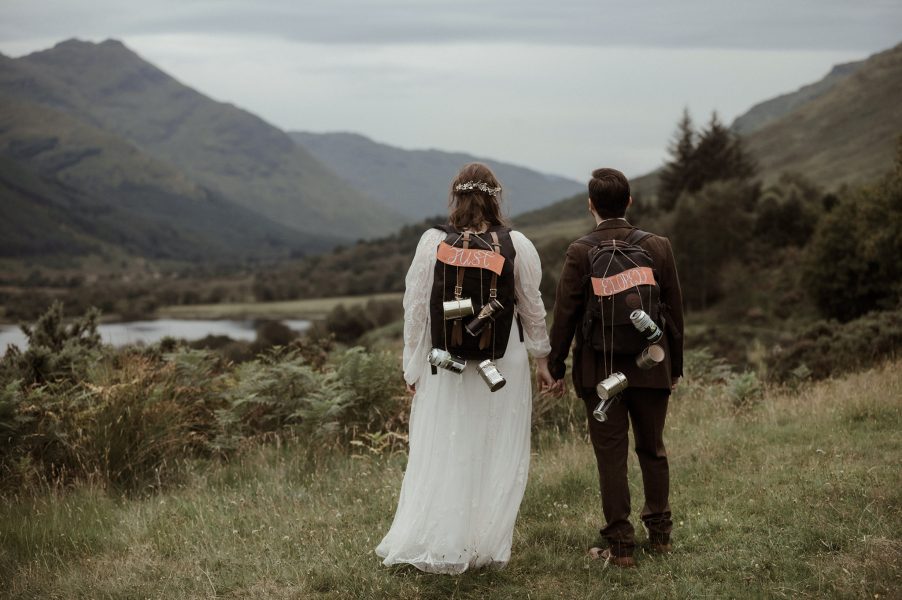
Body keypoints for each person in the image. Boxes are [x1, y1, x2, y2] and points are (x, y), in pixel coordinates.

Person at [376, 162, 555, 574]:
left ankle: (443, 540)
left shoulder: (431, 242)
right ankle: (485, 545)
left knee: (446, 445)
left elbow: (416, 310)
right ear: (496, 196)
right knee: (494, 448)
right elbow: (532, 309)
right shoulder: (518, 244)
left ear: (456, 196)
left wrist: (411, 367)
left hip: (446, 359)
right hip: (502, 359)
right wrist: (542, 358)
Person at [547, 168, 684, 568]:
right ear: (629, 202)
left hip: (599, 370)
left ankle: (621, 544)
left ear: (590, 205)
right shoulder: (659, 247)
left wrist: (555, 367)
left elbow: (565, 317)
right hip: (652, 364)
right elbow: (675, 312)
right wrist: (674, 366)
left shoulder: (579, 252)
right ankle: (659, 535)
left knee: (611, 456)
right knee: (652, 449)